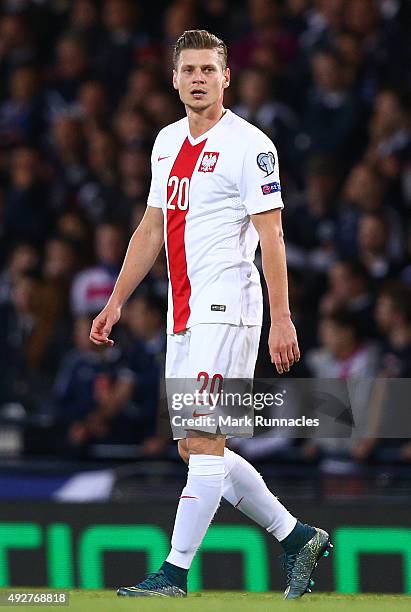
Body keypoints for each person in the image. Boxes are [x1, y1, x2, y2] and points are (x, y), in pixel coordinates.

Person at [90, 30, 332, 600]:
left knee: (204, 438)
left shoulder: (251, 145)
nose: (198, 78)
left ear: (228, 77)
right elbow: (151, 228)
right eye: (189, 69)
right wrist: (118, 299)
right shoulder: (166, 141)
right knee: (198, 448)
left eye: (209, 69)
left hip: (228, 306)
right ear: (174, 79)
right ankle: (295, 536)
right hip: (184, 312)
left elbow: (272, 236)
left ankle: (172, 574)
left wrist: (283, 317)